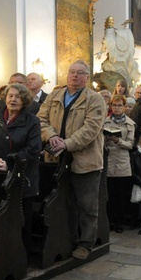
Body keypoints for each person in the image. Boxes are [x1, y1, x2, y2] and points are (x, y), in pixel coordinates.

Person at [38, 61, 106, 260]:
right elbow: (41, 119)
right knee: (60, 202)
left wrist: (67, 143)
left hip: (84, 160)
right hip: (55, 158)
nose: (75, 76)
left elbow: (91, 129)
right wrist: (51, 137)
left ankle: (85, 244)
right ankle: (65, 239)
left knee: (86, 205)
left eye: (80, 73)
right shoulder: (55, 95)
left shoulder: (95, 99)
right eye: (72, 72)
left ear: (87, 77)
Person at [0, 83, 41, 249]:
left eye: (18, 96)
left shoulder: (32, 120)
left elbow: (34, 149)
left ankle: (21, 255)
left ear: (25, 100)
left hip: (23, 178)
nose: (13, 99)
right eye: (10, 96)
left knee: (21, 220)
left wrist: (10, 162)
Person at [104, 95, 136, 233]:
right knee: (109, 193)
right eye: (114, 105)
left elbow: (130, 144)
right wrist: (106, 139)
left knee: (121, 194)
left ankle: (119, 223)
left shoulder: (130, 123)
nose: (116, 108)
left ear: (124, 107)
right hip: (109, 158)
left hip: (122, 160)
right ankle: (109, 221)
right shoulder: (105, 121)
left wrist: (118, 141)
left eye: (119, 105)